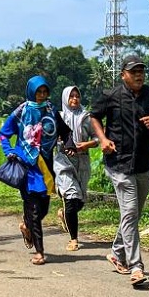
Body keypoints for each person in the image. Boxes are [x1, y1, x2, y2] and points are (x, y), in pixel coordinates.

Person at [90, 54, 149, 286]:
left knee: (134, 214)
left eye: (141, 71)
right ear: (123, 74)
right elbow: (93, 117)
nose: (138, 75)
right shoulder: (111, 96)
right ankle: (136, 266)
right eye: (133, 71)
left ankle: (117, 253)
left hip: (143, 164)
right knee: (129, 212)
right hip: (119, 164)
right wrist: (103, 139)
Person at [0, 75, 74, 266]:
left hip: (46, 167)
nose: (41, 95)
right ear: (31, 92)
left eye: (44, 92)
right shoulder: (21, 112)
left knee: (44, 207)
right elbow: (3, 134)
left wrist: (69, 144)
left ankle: (27, 225)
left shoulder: (50, 111)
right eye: (38, 92)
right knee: (33, 209)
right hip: (26, 166)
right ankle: (40, 252)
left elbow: (65, 131)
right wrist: (9, 152)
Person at [54, 85, 99, 251]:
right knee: (71, 198)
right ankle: (73, 239)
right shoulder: (58, 117)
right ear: (65, 98)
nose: (74, 99)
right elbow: (49, 135)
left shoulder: (86, 117)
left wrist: (86, 144)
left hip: (82, 162)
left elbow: (97, 138)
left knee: (79, 201)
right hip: (63, 161)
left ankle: (65, 214)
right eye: (71, 96)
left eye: (77, 96)